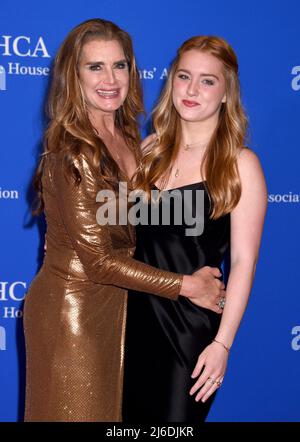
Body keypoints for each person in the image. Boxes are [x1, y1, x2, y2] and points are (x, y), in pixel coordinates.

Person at [23, 20, 225, 422]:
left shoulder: (131, 138)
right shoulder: (72, 151)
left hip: (125, 308)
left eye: (120, 65)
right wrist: (188, 286)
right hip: (74, 312)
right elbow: (98, 260)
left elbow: (137, 228)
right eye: (95, 67)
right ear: (73, 75)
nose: (110, 79)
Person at [122, 35, 267, 422]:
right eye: (184, 76)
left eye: (207, 80)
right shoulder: (147, 152)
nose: (191, 89)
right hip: (129, 325)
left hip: (188, 331)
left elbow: (243, 261)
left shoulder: (240, 165)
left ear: (225, 93)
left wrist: (222, 344)